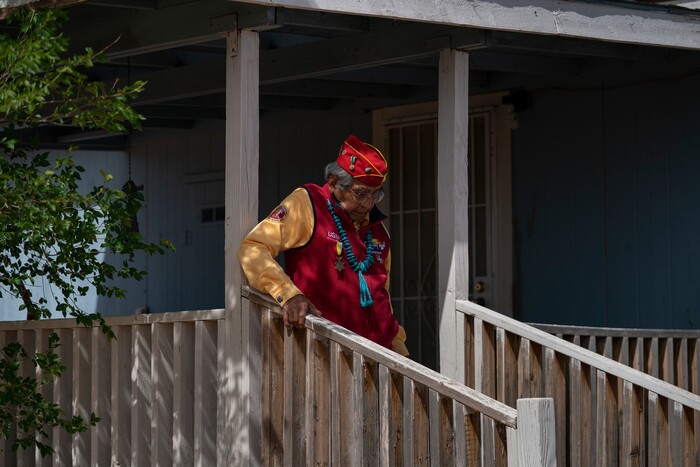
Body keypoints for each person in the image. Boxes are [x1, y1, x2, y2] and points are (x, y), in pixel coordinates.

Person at [238, 135, 408, 356]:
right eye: (360, 193)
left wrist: (398, 346)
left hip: (381, 357)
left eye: (375, 194)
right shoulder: (307, 203)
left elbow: (382, 294)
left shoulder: (378, 230)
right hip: (326, 354)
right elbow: (253, 247)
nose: (367, 203)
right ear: (334, 183)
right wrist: (287, 294)